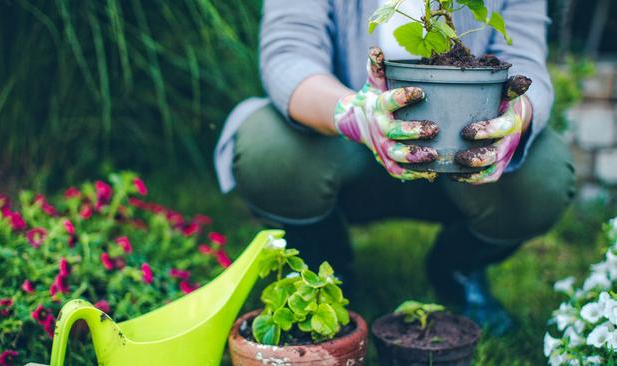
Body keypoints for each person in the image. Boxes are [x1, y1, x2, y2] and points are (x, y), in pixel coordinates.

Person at [214, 0, 575, 334]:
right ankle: (324, 258)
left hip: (462, 148)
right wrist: (355, 114)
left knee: (543, 176)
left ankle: (458, 265)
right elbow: (288, 54)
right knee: (268, 150)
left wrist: (517, 116)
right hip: (342, 146)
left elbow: (524, 59)